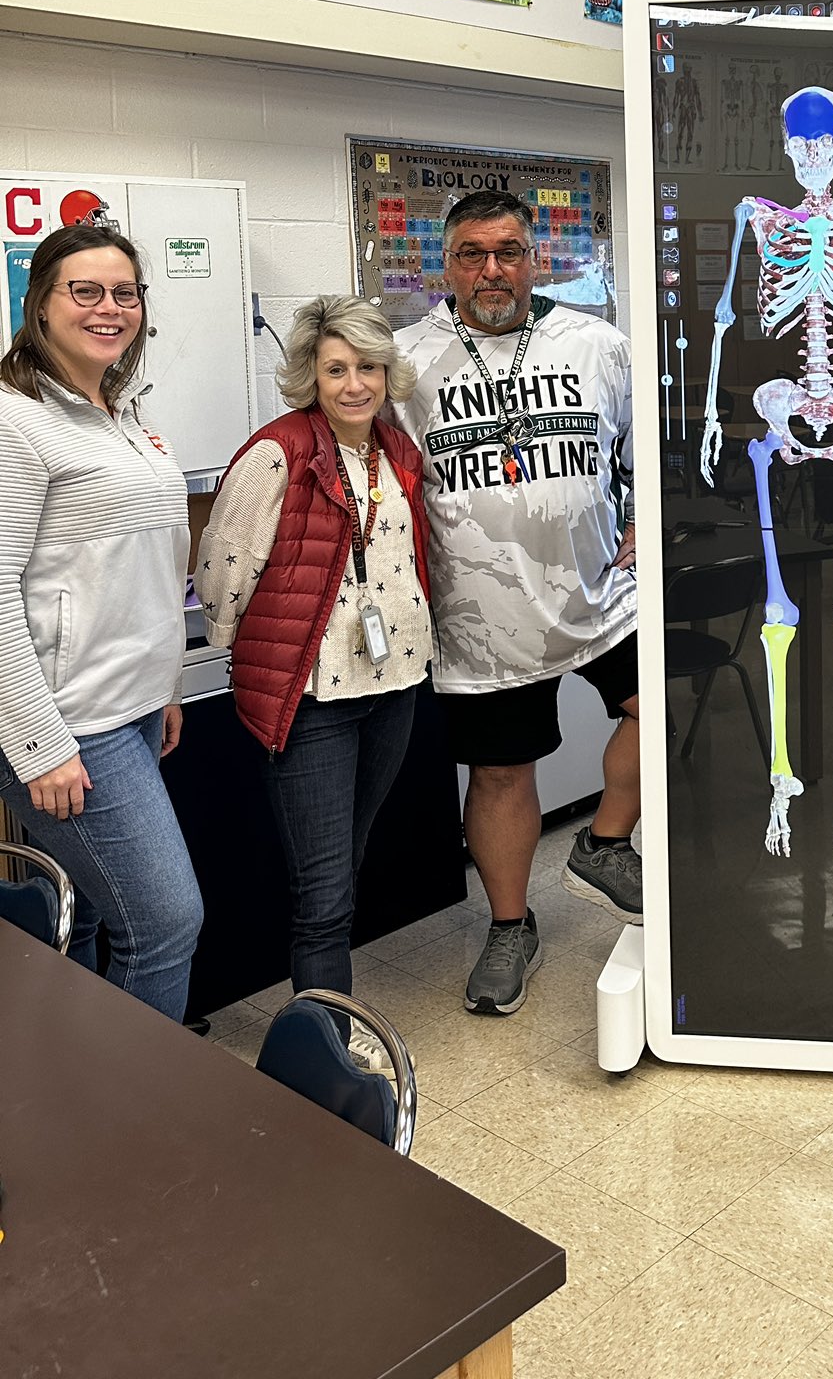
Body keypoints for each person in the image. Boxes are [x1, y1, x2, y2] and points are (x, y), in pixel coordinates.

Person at [391, 193, 639, 1017]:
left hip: (599, 591)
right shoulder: (404, 362)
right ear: (447, 264)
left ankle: (605, 842)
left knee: (668, 707)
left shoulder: (598, 345)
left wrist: (640, 521)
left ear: (536, 260)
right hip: (480, 611)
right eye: (472, 253)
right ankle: (508, 927)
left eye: (507, 252)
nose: (491, 270)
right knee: (500, 774)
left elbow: (645, 450)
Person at [195, 296, 430, 1004]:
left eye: (368, 367)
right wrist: (245, 648)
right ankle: (326, 1042)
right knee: (323, 892)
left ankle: (323, 1015)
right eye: (336, 369)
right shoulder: (279, 453)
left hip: (394, 686)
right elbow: (222, 569)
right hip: (314, 698)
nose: (355, 384)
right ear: (311, 376)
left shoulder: (397, 451)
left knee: (347, 862)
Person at [0, 224, 203, 1020]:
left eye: (125, 292)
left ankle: (71, 1080)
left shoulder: (121, 413)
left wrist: (166, 686)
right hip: (70, 723)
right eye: (85, 290)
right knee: (165, 924)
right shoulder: (15, 420)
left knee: (83, 916)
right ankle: (138, 1095)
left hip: (133, 706)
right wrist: (40, 745)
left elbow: (144, 568)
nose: (108, 308)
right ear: (41, 304)